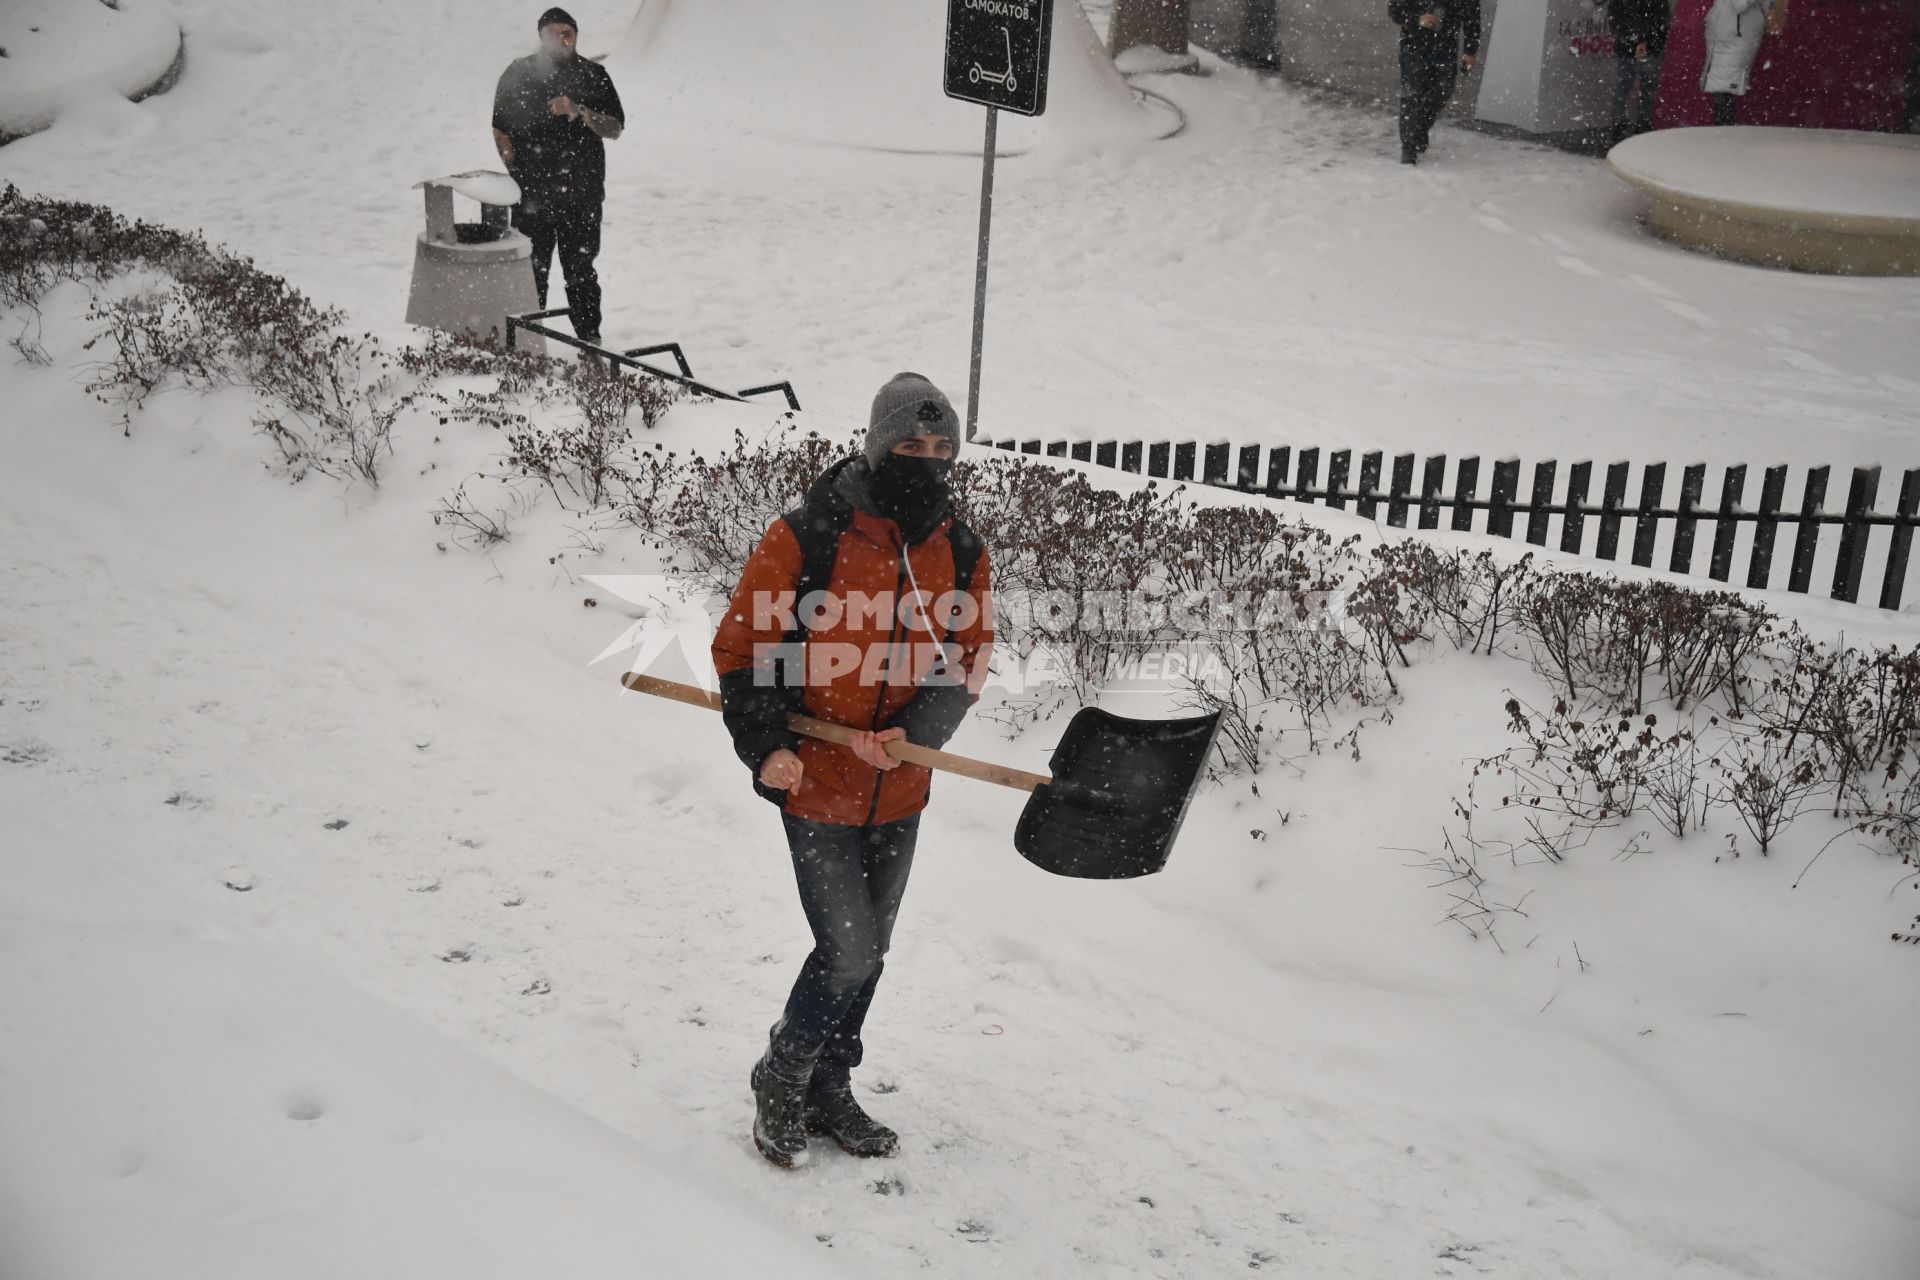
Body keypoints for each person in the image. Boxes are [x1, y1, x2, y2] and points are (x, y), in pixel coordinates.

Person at [711, 373, 995, 1169]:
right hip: (816, 783)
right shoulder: (809, 536)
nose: (929, 460)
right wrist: (769, 745)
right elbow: (745, 652)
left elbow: (969, 659)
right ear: (879, 445)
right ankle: (783, 1074)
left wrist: (913, 732)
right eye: (912, 445)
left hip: (900, 787)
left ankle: (831, 1084)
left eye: (942, 449)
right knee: (849, 952)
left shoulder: (961, 551)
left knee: (873, 947)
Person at [491, 8, 623, 345]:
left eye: (567, 33)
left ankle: (590, 343)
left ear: (576, 35)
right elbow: (500, 128)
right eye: (553, 33)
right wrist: (515, 173)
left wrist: (578, 110)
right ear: (541, 36)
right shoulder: (519, 73)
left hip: (582, 195)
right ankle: (526, 347)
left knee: (581, 272)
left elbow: (615, 127)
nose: (561, 39)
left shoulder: (595, 75)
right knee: (530, 273)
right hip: (532, 196)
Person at [1388, 0, 1482, 165]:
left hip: (1446, 46)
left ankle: (1417, 131)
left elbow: (1471, 16)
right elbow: (1395, 10)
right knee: (1413, 94)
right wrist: (1417, 19)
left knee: (1443, 90)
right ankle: (1409, 146)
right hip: (1413, 44)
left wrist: (1470, 51)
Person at [1606, 0, 1670, 142]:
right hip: (1640, 48)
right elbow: (1661, 21)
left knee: (1630, 87)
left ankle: (1625, 125)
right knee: (1641, 87)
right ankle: (1637, 125)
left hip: (1635, 47)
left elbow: (1615, 20)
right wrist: (1646, 42)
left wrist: (1641, 41)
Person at [1700, 0, 1772, 125]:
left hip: (1734, 35)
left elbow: (1740, 5)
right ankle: (1725, 130)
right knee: (1722, 86)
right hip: (1728, 34)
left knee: (1724, 87)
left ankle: (1725, 131)